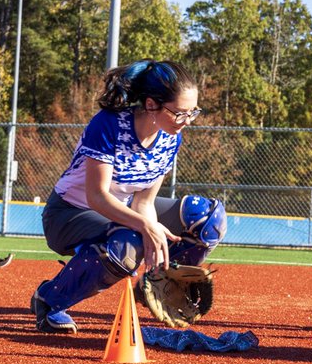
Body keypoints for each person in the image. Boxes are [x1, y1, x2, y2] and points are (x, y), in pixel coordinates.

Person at [33, 59, 226, 334]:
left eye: (192, 112)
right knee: (129, 243)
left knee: (207, 218)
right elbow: (97, 196)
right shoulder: (109, 124)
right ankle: (50, 300)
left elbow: (144, 202)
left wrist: (153, 248)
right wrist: (145, 227)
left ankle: (157, 280)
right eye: (179, 113)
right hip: (69, 213)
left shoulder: (170, 137)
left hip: (123, 209)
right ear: (150, 105)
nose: (186, 122)